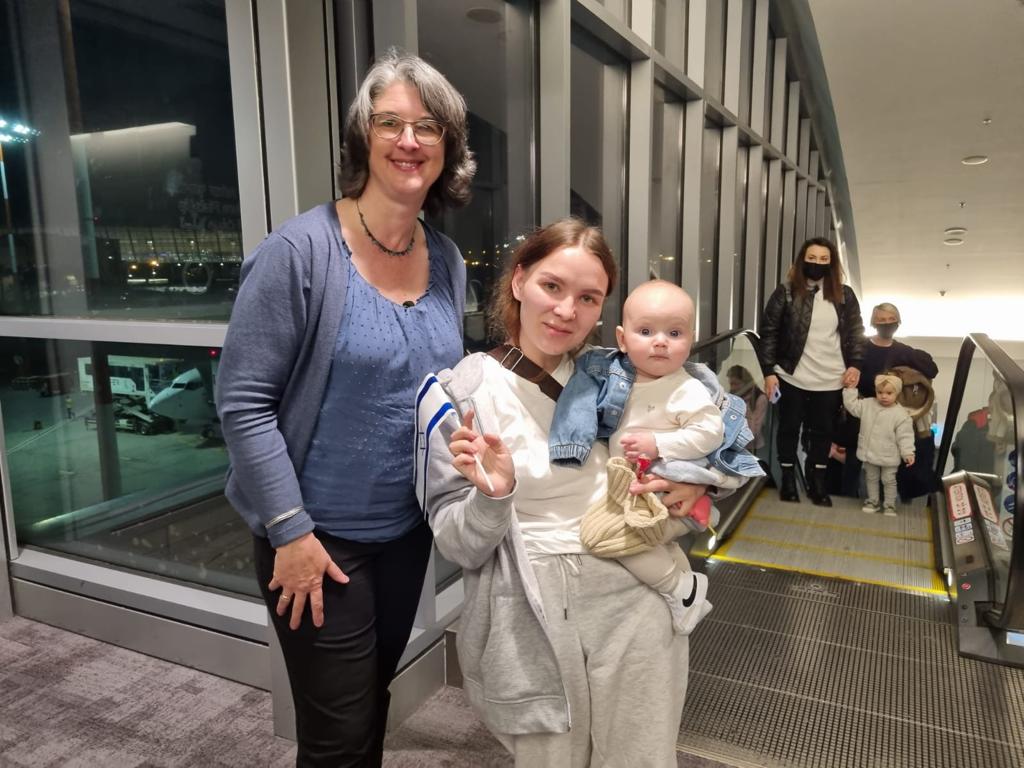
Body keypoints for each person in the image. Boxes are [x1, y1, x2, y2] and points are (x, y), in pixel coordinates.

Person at [215, 50, 475, 767]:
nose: (409, 141)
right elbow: (242, 403)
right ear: (363, 138)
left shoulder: (447, 260)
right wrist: (291, 533)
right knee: (335, 737)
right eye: (390, 122)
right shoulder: (299, 252)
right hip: (315, 540)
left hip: (404, 532)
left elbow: (438, 388)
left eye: (428, 126)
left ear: (448, 145)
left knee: (371, 706)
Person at [420, 219, 738, 767]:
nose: (567, 310)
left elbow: (718, 455)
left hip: (635, 603)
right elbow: (459, 545)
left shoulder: (625, 378)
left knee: (640, 758)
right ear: (519, 281)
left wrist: (694, 479)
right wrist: (495, 496)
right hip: (533, 611)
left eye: (588, 297)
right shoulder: (458, 395)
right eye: (552, 287)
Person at [543, 280, 763, 634]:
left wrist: (658, 444)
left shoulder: (685, 387)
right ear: (622, 338)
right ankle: (679, 576)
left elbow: (710, 434)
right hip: (639, 488)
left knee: (610, 540)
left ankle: (682, 590)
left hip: (658, 491)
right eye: (645, 331)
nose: (660, 341)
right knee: (626, 538)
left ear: (689, 339)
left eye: (674, 333)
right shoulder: (620, 379)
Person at [758, 237, 865, 506]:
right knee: (789, 428)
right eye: (812, 258)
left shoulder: (845, 295)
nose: (816, 264)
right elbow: (769, 333)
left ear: (831, 264)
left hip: (831, 378)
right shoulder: (785, 292)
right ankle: (788, 480)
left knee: (823, 431)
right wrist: (769, 371)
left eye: (823, 260)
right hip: (791, 375)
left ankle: (817, 482)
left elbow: (855, 332)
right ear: (802, 260)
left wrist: (855, 364)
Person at [833, 302, 939, 499]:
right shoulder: (859, 347)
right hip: (859, 410)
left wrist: (916, 359)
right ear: (873, 322)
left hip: (888, 416)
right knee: (853, 464)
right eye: (881, 320)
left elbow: (931, 370)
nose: (886, 324)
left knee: (883, 466)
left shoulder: (904, 351)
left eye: (891, 320)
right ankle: (846, 506)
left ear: (898, 322)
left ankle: (881, 506)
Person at [842, 374, 915, 516]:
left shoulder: (901, 414)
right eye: (880, 392)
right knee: (871, 477)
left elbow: (905, 436)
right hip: (870, 452)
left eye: (889, 393)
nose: (884, 396)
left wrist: (908, 452)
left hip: (889, 455)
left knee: (888, 480)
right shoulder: (868, 404)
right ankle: (873, 501)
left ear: (897, 393)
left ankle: (889, 505)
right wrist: (850, 389)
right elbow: (852, 406)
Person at [727, 365, 768, 451]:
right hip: (732, 443)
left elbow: (755, 429)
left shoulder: (759, 398)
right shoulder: (732, 396)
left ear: (746, 383)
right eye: (731, 384)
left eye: (736, 384)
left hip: (753, 446)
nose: (733, 387)